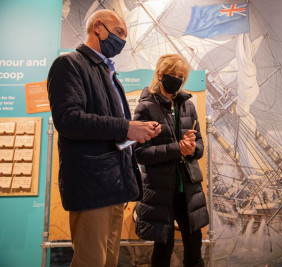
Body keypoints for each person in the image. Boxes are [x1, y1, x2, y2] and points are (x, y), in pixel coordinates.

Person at [47, 9, 161, 267]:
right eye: (119, 32)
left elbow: (111, 130)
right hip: (92, 185)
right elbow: (68, 120)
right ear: (98, 27)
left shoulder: (109, 74)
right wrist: (126, 128)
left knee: (108, 261)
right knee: (91, 261)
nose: (122, 40)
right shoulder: (69, 64)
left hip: (115, 184)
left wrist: (137, 132)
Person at [133, 54, 209, 267]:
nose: (176, 79)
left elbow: (200, 146)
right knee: (162, 250)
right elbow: (140, 153)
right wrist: (177, 149)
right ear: (160, 74)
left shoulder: (188, 106)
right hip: (160, 190)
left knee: (195, 249)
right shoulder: (145, 107)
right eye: (172, 75)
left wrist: (192, 148)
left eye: (181, 76)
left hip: (189, 189)